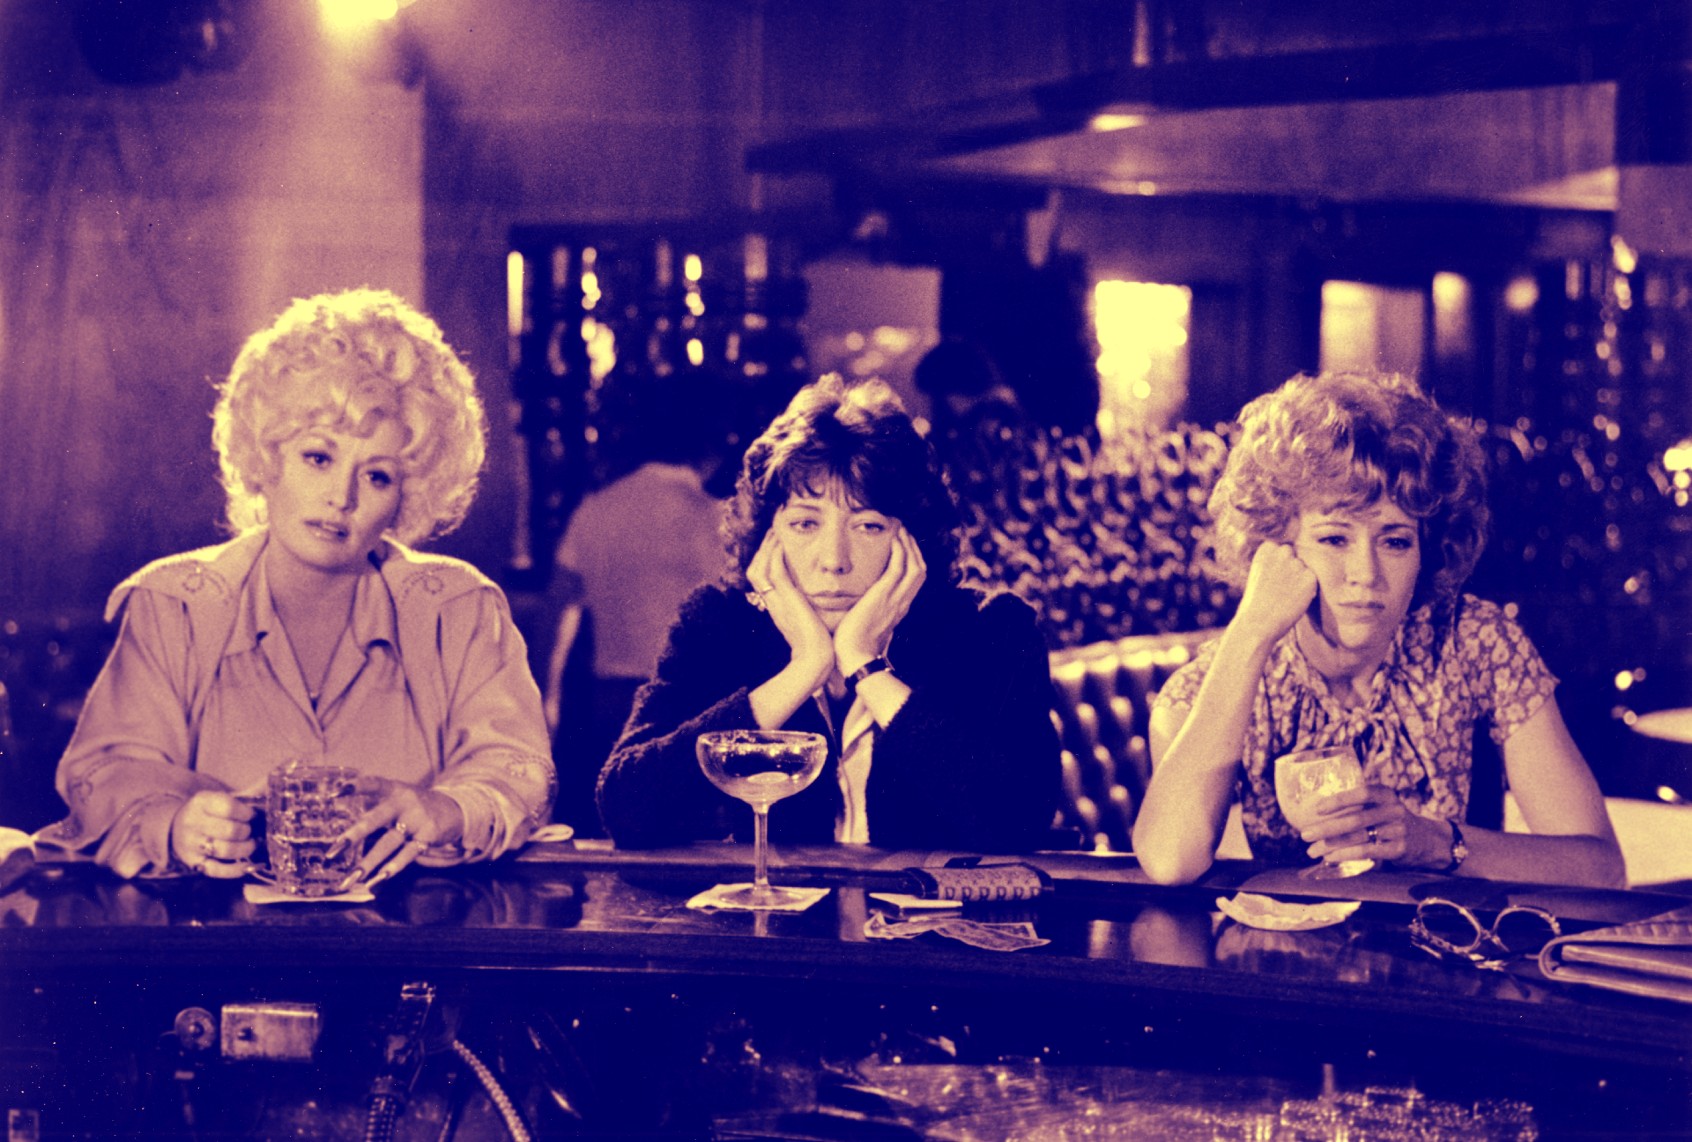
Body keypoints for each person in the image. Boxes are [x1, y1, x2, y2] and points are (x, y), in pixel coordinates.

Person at [39, 288, 555, 883]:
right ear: (268, 457)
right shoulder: (174, 605)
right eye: (318, 458)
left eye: (378, 475)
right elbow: (105, 770)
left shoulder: (458, 612)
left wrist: (443, 808)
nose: (343, 497)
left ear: (407, 497)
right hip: (218, 958)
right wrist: (175, 825)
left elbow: (518, 768)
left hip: (410, 954)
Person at [1131, 371, 1624, 888]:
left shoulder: (1477, 643)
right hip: (1285, 964)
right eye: (1334, 539)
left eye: (1394, 541)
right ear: (1274, 546)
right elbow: (1170, 861)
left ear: (1426, 551)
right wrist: (1251, 631)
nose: (1365, 575)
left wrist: (1433, 842)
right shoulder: (1209, 685)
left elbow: (1601, 870)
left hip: (1448, 959)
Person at [596, 374, 1061, 852]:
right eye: (804, 524)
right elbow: (626, 809)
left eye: (868, 526)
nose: (834, 560)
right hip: (770, 927)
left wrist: (866, 666)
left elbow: (1017, 822)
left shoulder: (992, 632)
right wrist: (803, 669)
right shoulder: (716, 625)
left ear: (912, 538)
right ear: (767, 538)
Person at [547, 371, 730, 833]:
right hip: (689, 700)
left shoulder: (596, 509)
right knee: (686, 839)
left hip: (606, 697)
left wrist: (547, 698)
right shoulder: (715, 519)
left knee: (611, 831)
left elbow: (559, 606)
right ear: (708, 449)